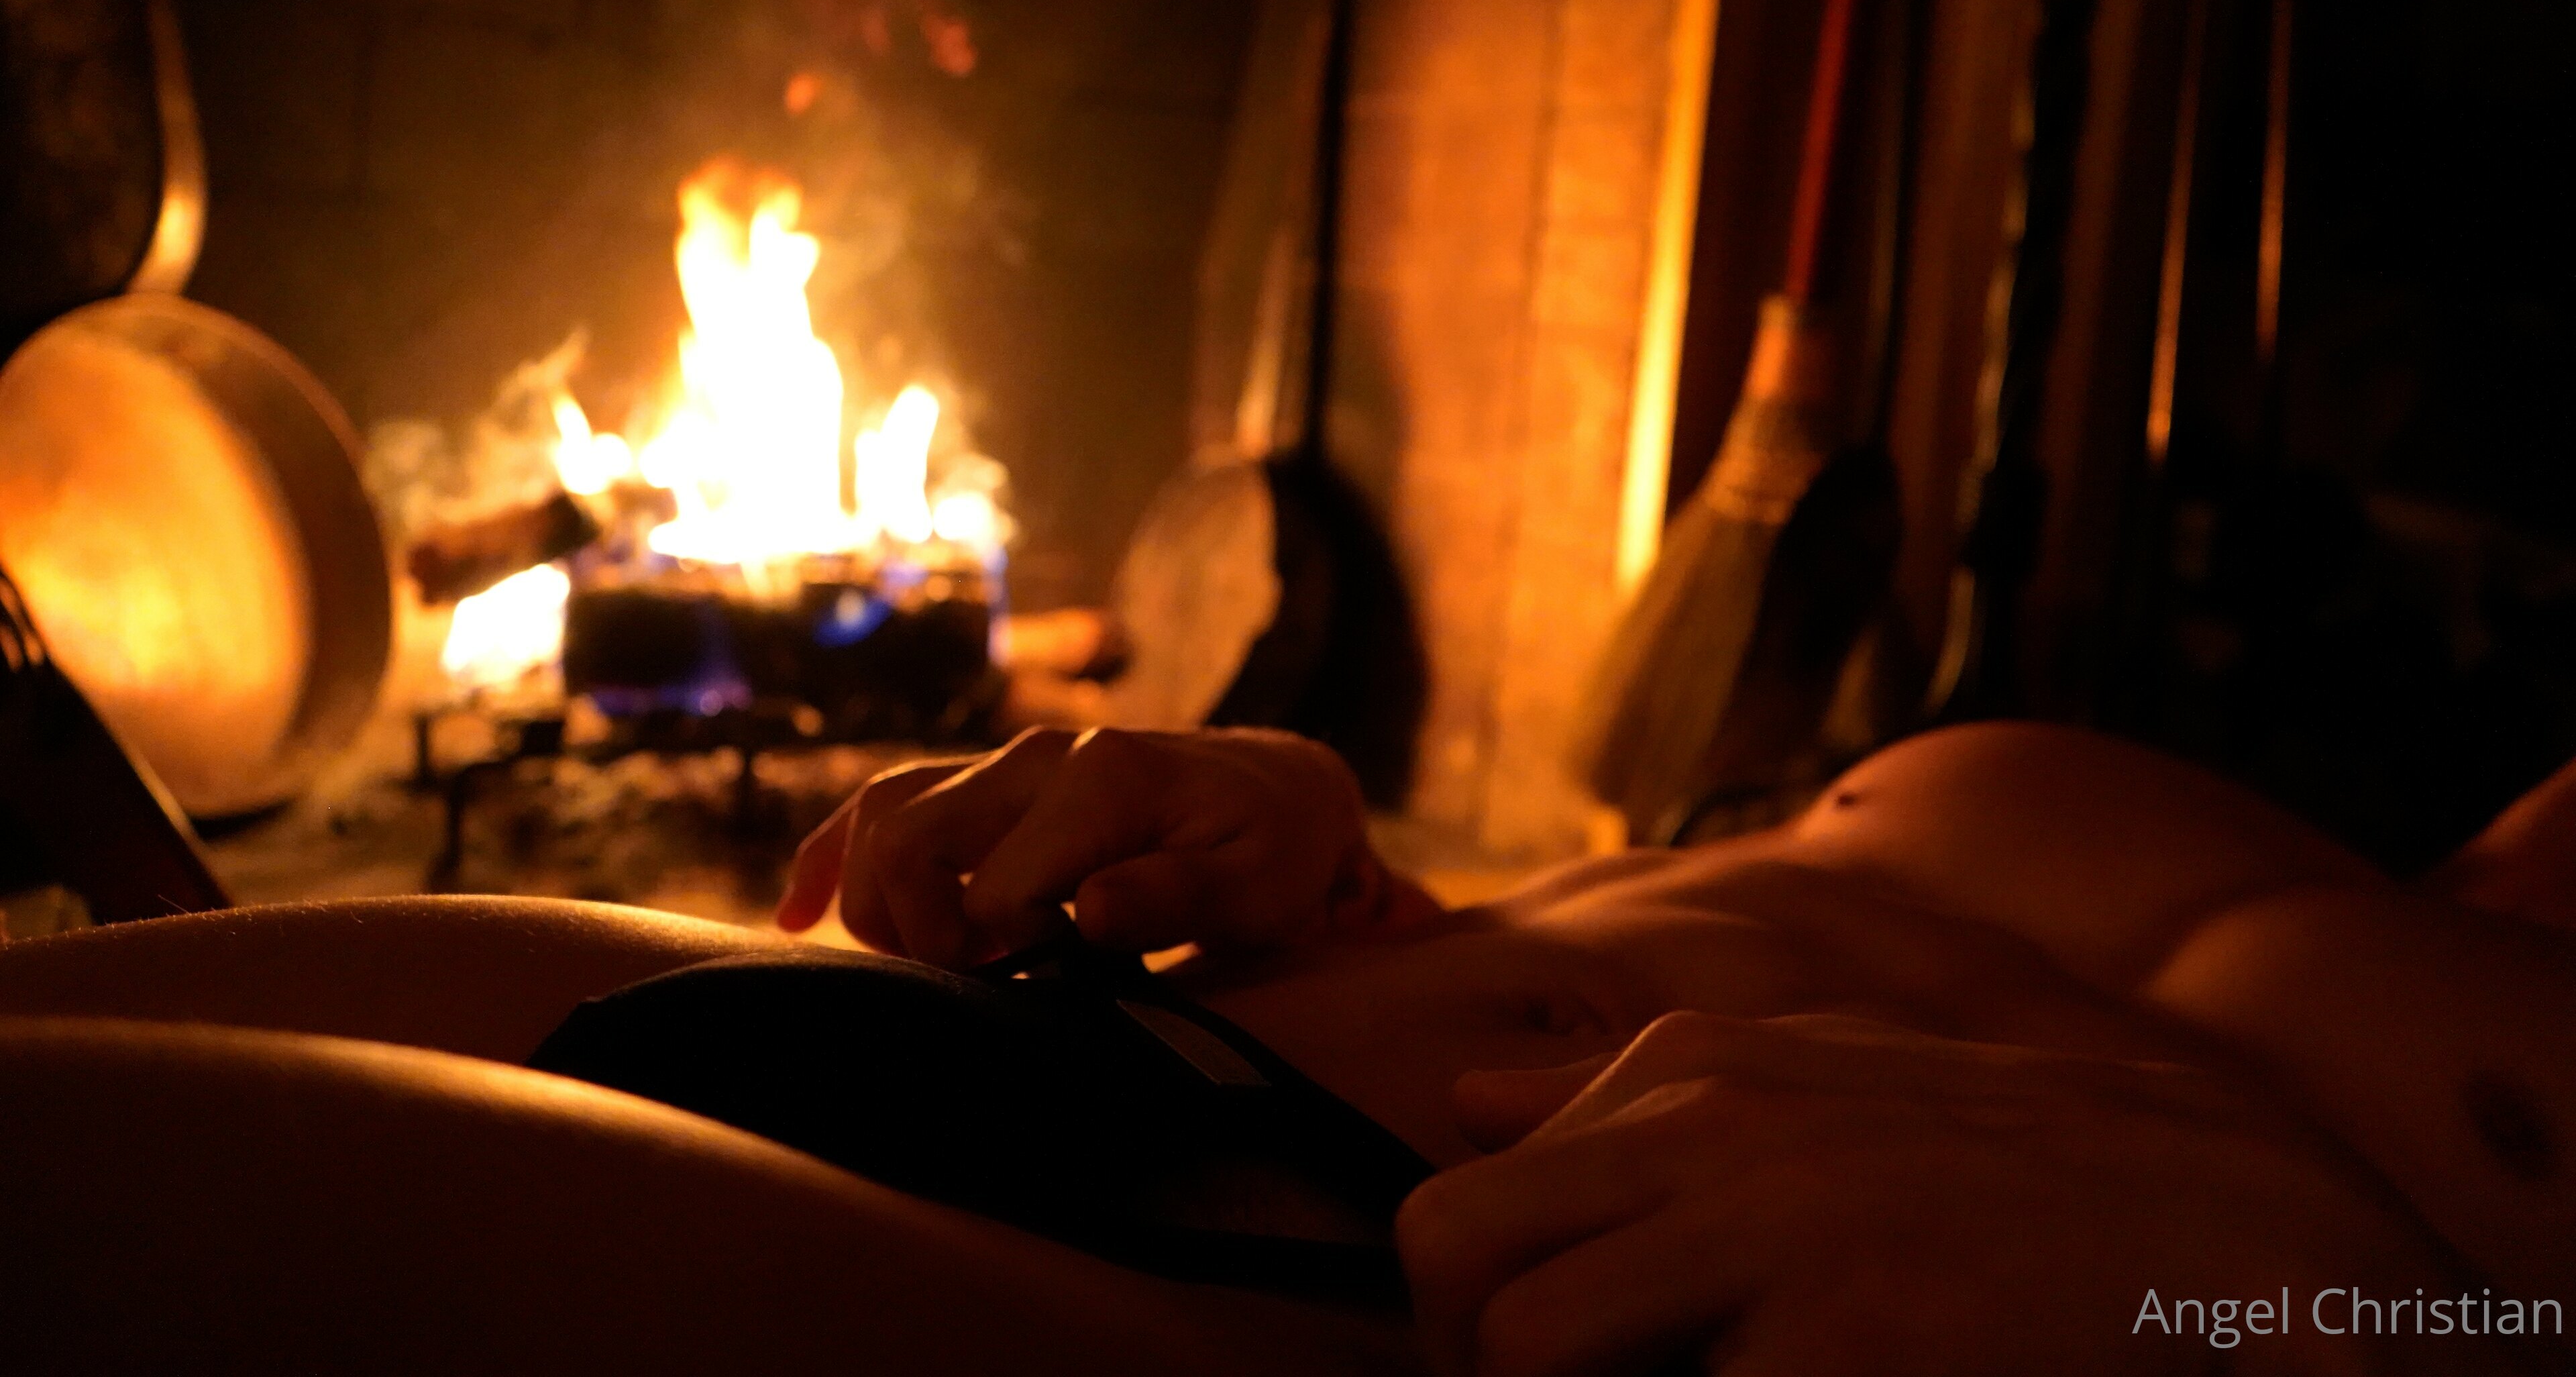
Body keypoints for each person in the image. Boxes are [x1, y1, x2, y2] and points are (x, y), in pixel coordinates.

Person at [3, 721, 2573, 1374]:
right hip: (1086, 1026)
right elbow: (1655, 923)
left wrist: (2340, 1317)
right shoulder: (2198, 791)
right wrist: (1323, 852)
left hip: (1451, 1295)